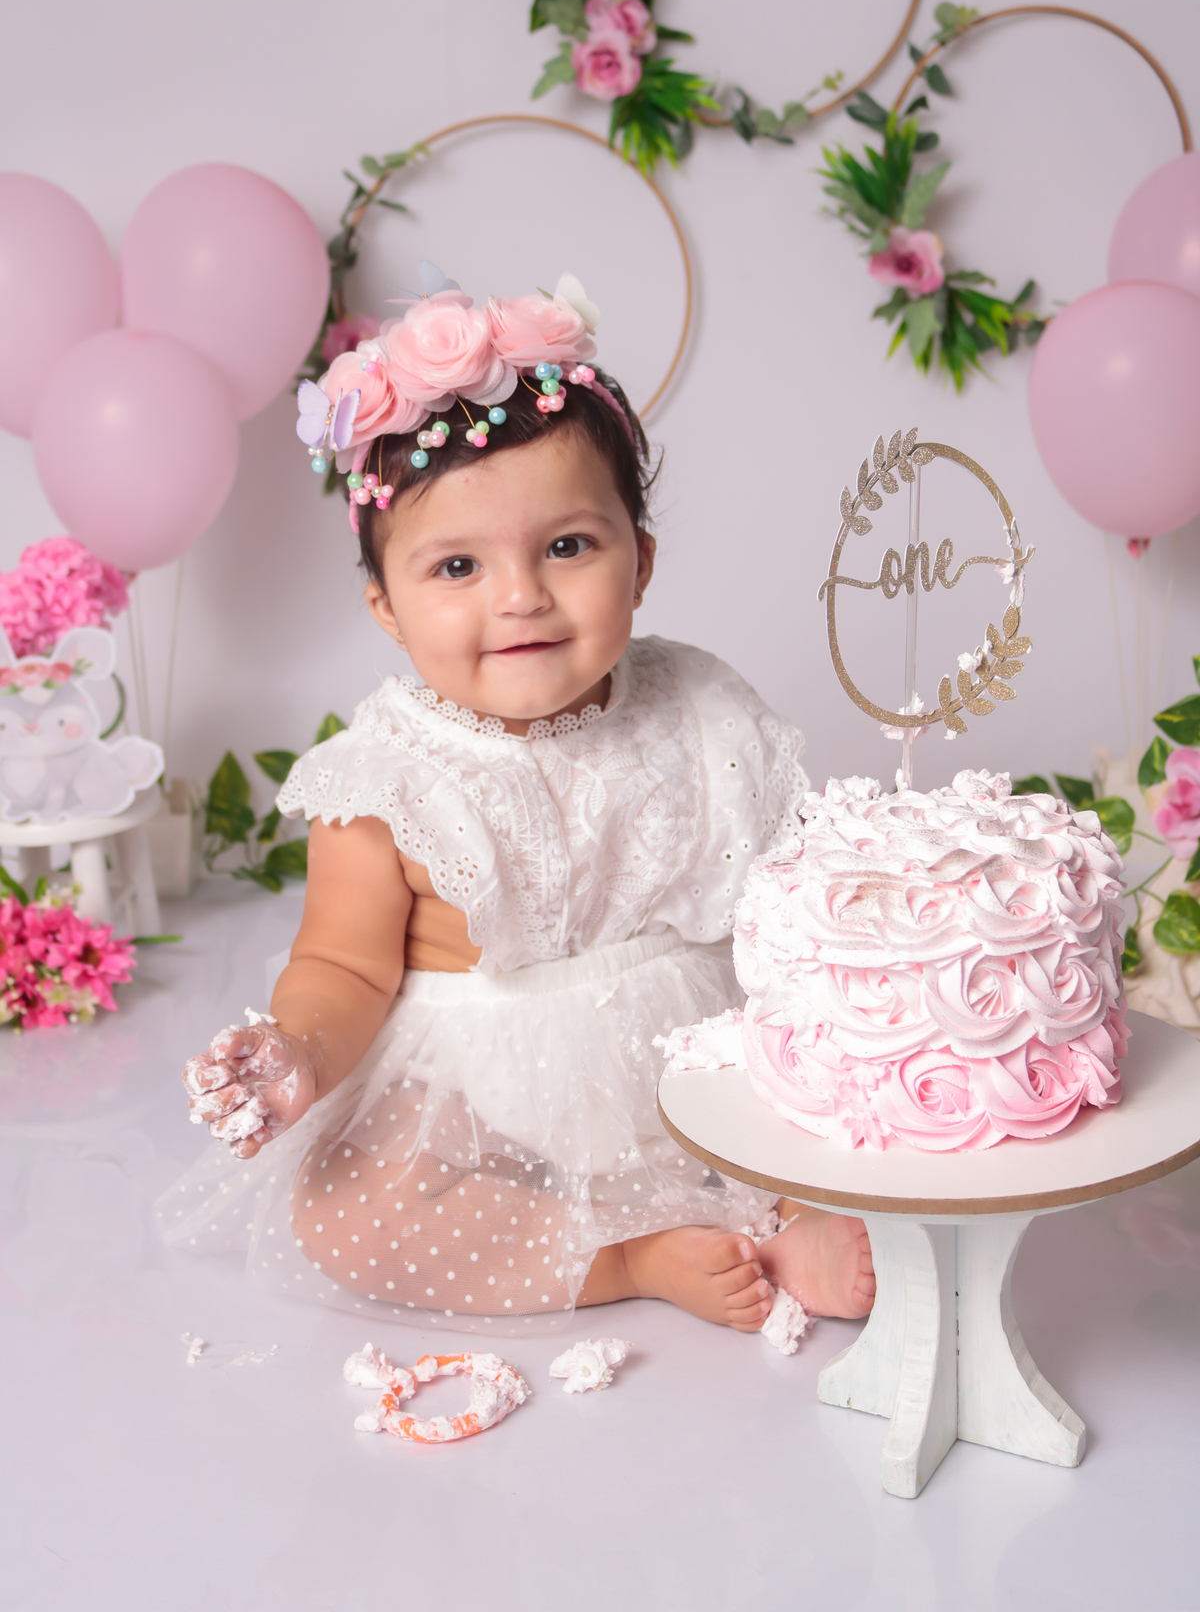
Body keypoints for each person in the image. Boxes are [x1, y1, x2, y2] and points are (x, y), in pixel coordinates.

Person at [159, 268, 876, 1336]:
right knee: (346, 1210)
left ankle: (781, 1216)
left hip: (689, 1049)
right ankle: (626, 1257)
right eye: (456, 566)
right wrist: (301, 1053)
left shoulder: (699, 706)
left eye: (568, 547)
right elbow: (345, 967)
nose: (521, 596)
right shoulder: (384, 779)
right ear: (386, 607)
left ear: (641, 563)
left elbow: (782, 898)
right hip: (479, 1098)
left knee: (835, 1082)